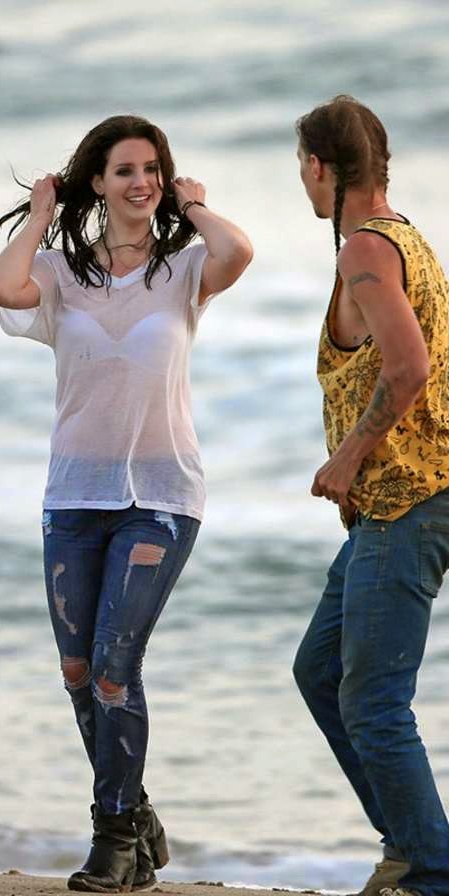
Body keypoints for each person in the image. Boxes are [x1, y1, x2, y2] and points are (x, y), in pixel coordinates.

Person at [0, 114, 252, 893]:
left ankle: (112, 840)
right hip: (74, 497)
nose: (142, 183)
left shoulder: (185, 270)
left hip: (160, 499)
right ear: (98, 182)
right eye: (126, 170)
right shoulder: (60, 275)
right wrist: (41, 214)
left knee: (113, 670)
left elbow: (239, 252)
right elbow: (1, 286)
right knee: (77, 670)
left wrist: (193, 205)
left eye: (152, 170)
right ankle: (134, 814)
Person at [292, 94, 449, 896]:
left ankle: (430, 871)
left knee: (375, 704)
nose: (303, 180)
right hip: (398, 503)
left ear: (321, 167)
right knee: (321, 672)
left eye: (302, 166)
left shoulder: (365, 249)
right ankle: (412, 843)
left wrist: (349, 458)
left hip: (405, 502)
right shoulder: (404, 237)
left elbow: (411, 366)